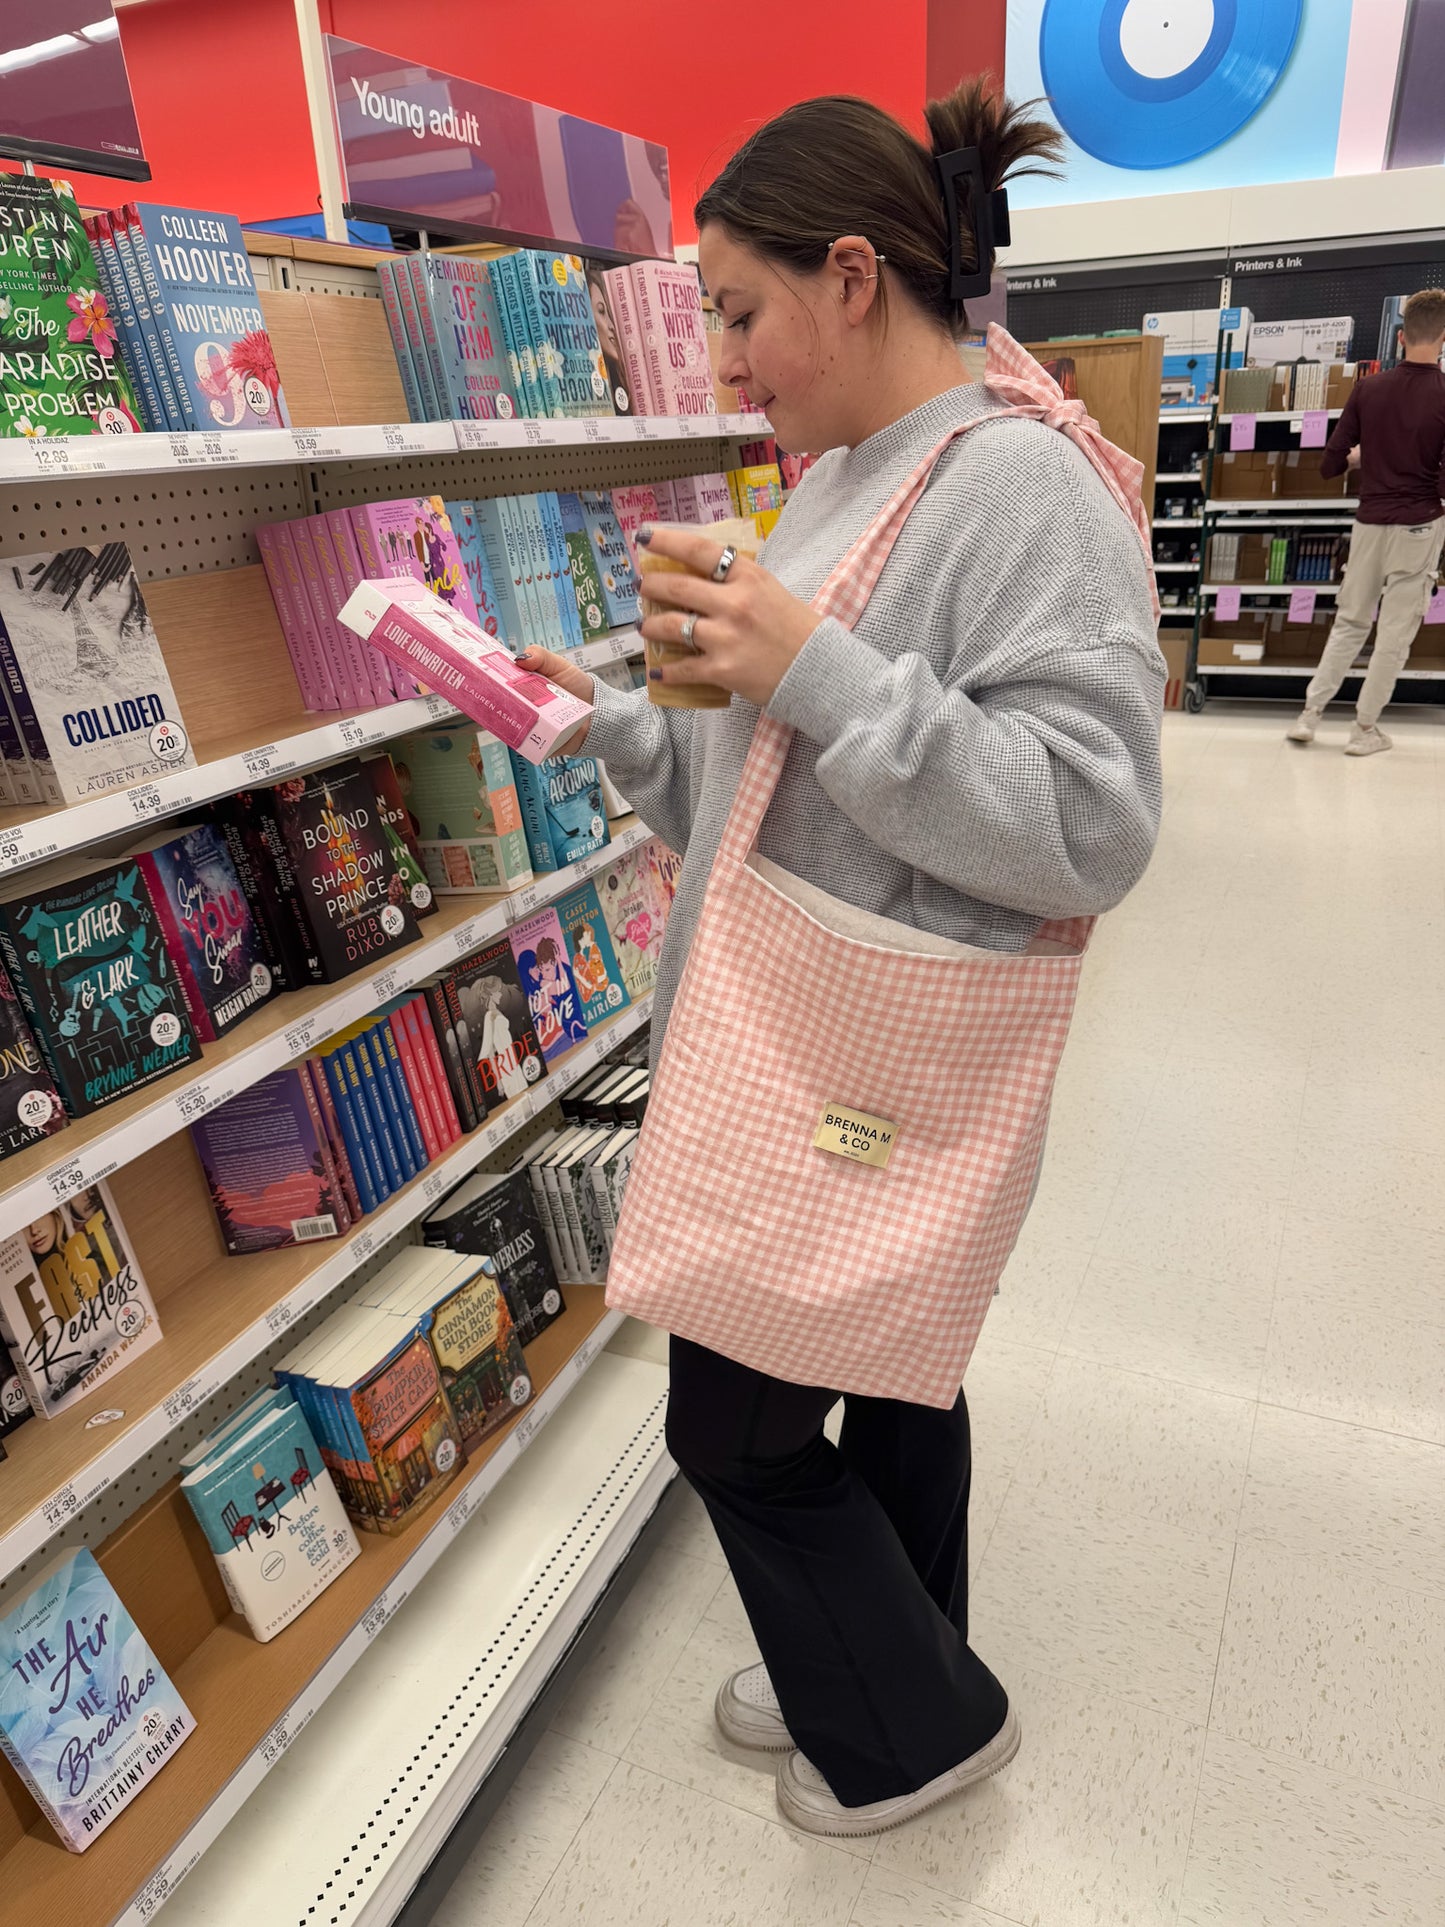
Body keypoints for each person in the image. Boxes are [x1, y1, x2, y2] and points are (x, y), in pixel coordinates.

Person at [520, 76, 1163, 1839]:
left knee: (727, 1436)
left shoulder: (1014, 487)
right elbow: (775, 782)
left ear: (855, 276)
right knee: (892, 1368)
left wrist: (812, 664)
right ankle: (874, 1657)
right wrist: (618, 734)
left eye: (739, 309)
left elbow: (1094, 820)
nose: (724, 358)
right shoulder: (849, 481)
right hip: (810, 1031)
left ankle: (908, 1721)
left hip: (866, 1057)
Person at [1287, 287, 1445, 754]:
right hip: (1419, 525)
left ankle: (1309, 717)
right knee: (1394, 635)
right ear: (1442, 337)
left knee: (1350, 623)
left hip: (1369, 522)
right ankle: (1364, 731)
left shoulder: (1369, 388)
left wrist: (1362, 459)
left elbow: (1330, 463)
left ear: (1400, 337)